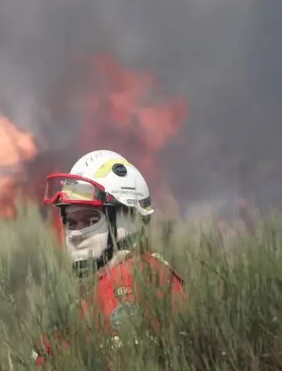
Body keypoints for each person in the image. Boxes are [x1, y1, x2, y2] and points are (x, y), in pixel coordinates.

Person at [33, 149, 185, 365]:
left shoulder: (127, 281)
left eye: (89, 220)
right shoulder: (138, 275)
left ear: (127, 220)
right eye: (70, 222)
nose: (74, 235)